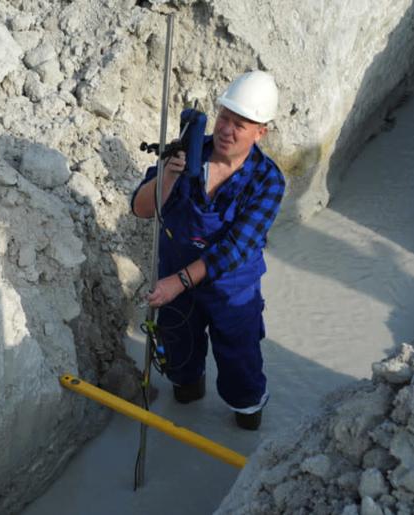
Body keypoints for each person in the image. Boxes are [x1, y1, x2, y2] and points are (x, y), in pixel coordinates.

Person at [130, 71, 286, 430]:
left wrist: (180, 281)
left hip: (231, 285)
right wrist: (167, 175)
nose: (227, 130)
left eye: (241, 124)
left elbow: (235, 248)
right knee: (180, 362)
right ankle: (188, 384)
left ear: (260, 132)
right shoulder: (188, 151)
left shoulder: (268, 181)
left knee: (239, 356)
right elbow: (141, 209)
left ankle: (246, 408)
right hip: (175, 272)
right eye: (224, 118)